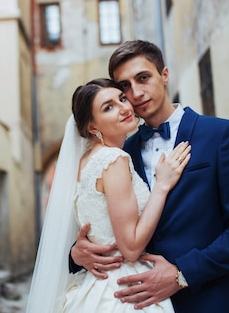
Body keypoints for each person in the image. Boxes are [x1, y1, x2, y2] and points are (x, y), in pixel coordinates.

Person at [69, 40, 229, 313]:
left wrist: (182, 274)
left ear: (164, 75)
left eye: (143, 78)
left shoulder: (220, 135)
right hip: (136, 303)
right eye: (125, 87)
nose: (136, 93)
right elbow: (106, 223)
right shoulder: (119, 153)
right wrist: (76, 255)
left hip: (209, 301)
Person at [26, 78, 191, 313]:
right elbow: (131, 248)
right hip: (122, 290)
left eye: (122, 99)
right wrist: (162, 186)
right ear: (93, 127)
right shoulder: (113, 160)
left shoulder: (86, 161)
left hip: (99, 285)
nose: (124, 107)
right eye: (108, 107)